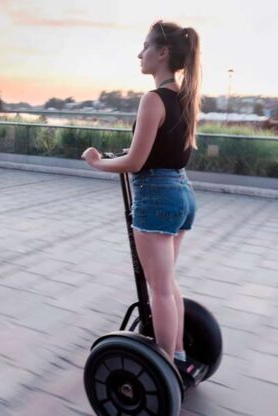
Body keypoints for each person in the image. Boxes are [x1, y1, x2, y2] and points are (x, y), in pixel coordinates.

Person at [81, 20, 201, 383]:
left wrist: (97, 162)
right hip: (181, 193)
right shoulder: (184, 97)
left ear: (162, 53)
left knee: (159, 289)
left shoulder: (153, 100)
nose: (140, 54)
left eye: (145, 47)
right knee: (167, 284)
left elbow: (136, 161)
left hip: (156, 195)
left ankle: (165, 370)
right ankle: (178, 357)